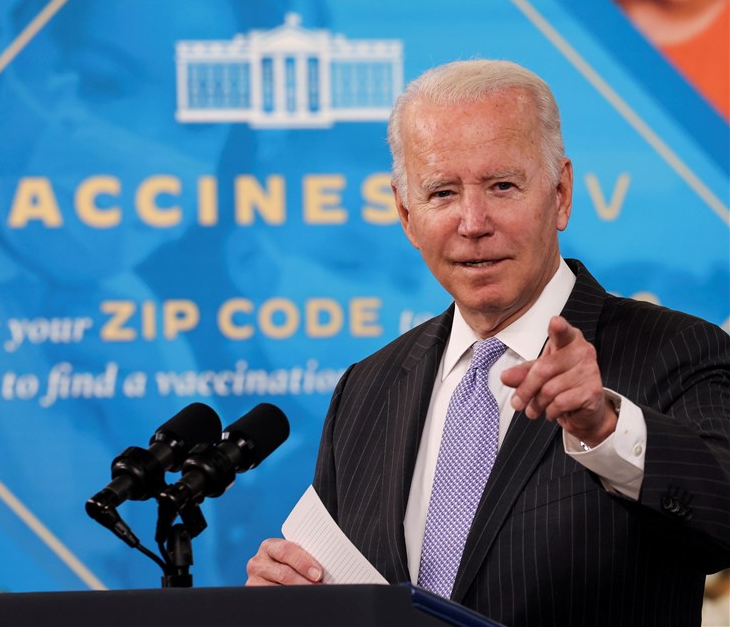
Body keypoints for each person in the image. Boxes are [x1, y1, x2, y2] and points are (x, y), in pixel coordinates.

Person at [245, 59, 730, 626]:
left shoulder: (677, 349)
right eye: (442, 193)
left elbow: (722, 521)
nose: (473, 222)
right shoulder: (366, 388)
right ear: (406, 213)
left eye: (502, 186)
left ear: (561, 194)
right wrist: (293, 597)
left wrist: (604, 428)